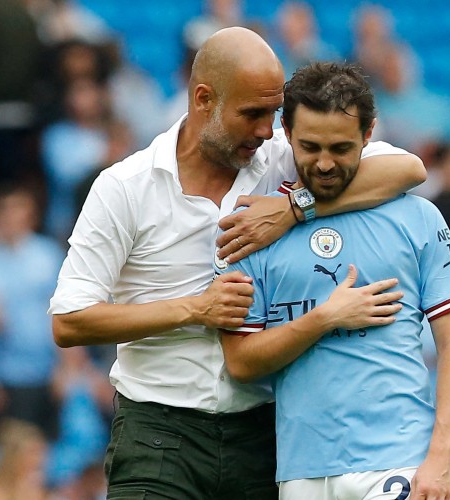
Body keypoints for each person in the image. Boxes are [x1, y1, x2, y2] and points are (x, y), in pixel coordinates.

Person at [48, 27, 426, 499]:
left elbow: (408, 168)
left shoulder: (282, 163)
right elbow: (69, 320)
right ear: (204, 99)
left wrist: (295, 207)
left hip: (264, 434)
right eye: (252, 114)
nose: (267, 130)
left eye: (273, 113)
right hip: (158, 434)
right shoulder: (125, 187)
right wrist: (194, 309)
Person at [217, 61, 450, 500]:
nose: (323, 164)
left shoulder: (415, 217)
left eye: (340, 148)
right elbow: (242, 363)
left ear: (369, 134)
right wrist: (322, 319)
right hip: (300, 470)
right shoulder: (253, 229)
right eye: (310, 146)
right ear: (284, 130)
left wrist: (441, 457)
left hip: (398, 460)